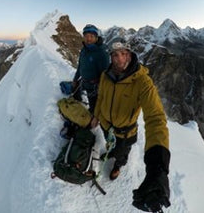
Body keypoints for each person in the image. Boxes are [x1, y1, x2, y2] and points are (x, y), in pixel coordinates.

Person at [91, 39, 171, 212]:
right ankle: (112, 152)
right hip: (107, 126)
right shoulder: (106, 76)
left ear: (130, 54)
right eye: (115, 55)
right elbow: (101, 98)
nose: (119, 59)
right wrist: (97, 116)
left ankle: (118, 165)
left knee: (121, 153)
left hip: (125, 132)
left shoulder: (142, 82)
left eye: (123, 54)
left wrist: (157, 168)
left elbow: (155, 117)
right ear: (110, 57)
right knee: (110, 145)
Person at [72, 24, 110, 114]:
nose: (88, 39)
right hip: (84, 81)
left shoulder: (101, 53)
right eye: (86, 36)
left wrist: (101, 90)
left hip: (94, 86)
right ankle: (79, 100)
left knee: (93, 105)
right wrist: (75, 79)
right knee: (75, 92)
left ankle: (93, 116)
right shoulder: (84, 49)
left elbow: (104, 73)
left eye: (91, 36)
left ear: (96, 37)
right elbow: (80, 66)